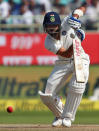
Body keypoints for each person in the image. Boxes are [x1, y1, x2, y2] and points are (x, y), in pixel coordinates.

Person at [39, 6, 90, 127]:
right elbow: (66, 54)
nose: (52, 29)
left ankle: (67, 117)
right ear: (45, 27)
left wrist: (76, 17)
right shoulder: (48, 42)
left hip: (80, 58)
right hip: (63, 62)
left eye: (54, 26)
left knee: (77, 84)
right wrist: (77, 40)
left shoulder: (67, 23)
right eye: (49, 26)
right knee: (47, 94)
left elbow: (81, 8)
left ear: (59, 25)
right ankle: (59, 115)